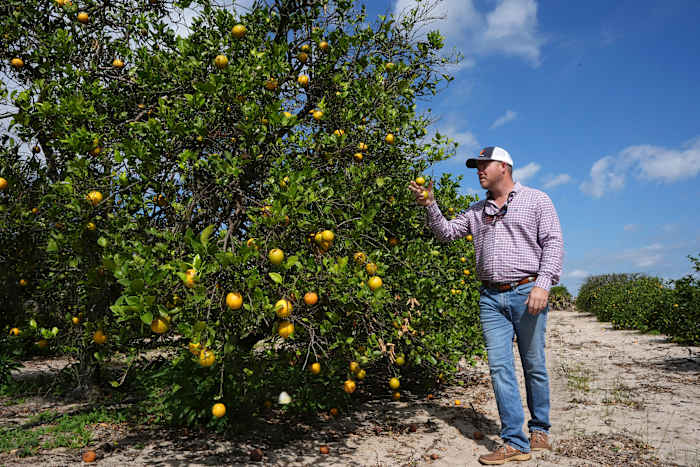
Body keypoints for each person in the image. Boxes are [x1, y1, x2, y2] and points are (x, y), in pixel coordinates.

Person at [408, 146, 564, 465]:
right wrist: (430, 205)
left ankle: (540, 431)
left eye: (484, 165)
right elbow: (447, 233)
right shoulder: (477, 210)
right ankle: (514, 441)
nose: (479, 170)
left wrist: (543, 284)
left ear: (504, 167)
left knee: (533, 364)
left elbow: (553, 242)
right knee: (499, 368)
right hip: (490, 298)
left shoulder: (537, 199)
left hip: (527, 292)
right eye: (476, 166)